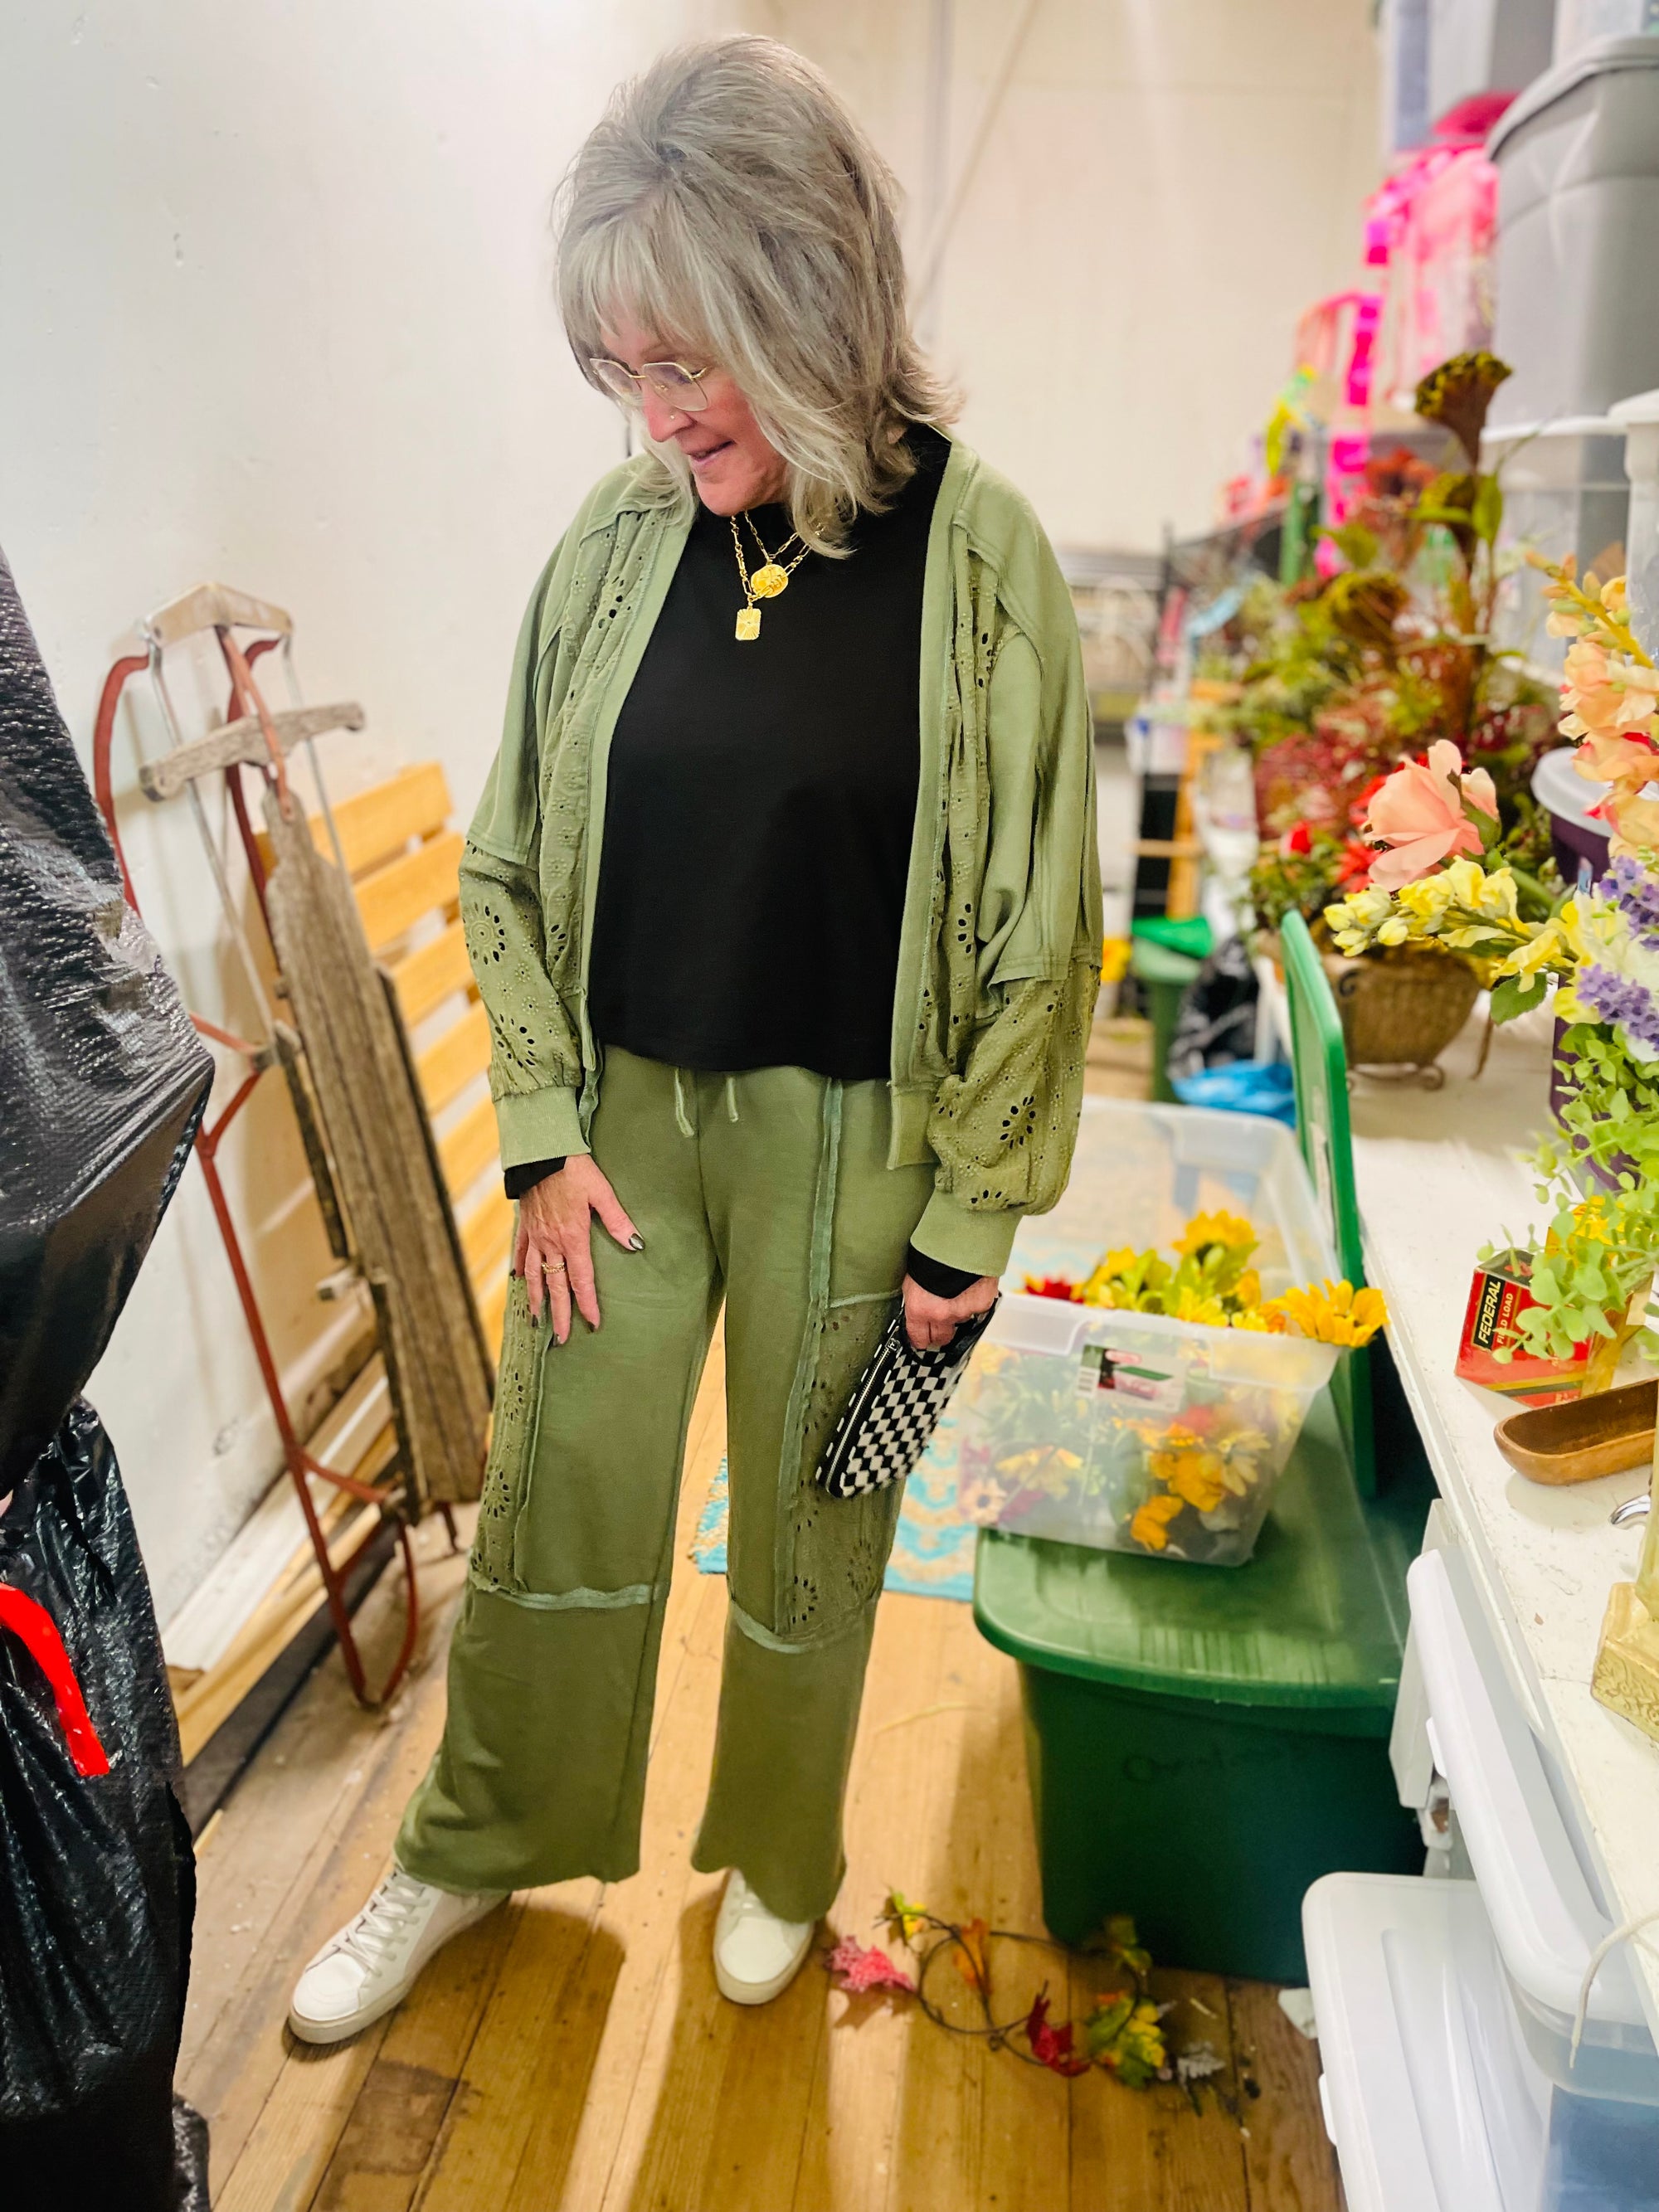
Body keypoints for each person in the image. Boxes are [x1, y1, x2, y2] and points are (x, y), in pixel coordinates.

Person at [289, 32, 1098, 2042]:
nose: (651, 418)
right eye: (618, 375)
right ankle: (470, 1846)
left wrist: (972, 1221)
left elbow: (1037, 928)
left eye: (685, 366)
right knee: (563, 1500)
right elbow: (501, 868)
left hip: (857, 1134)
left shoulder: (977, 560)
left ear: (809, 301)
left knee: (818, 1527)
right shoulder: (612, 544)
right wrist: (545, 1127)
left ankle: (783, 1861)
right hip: (622, 1134)